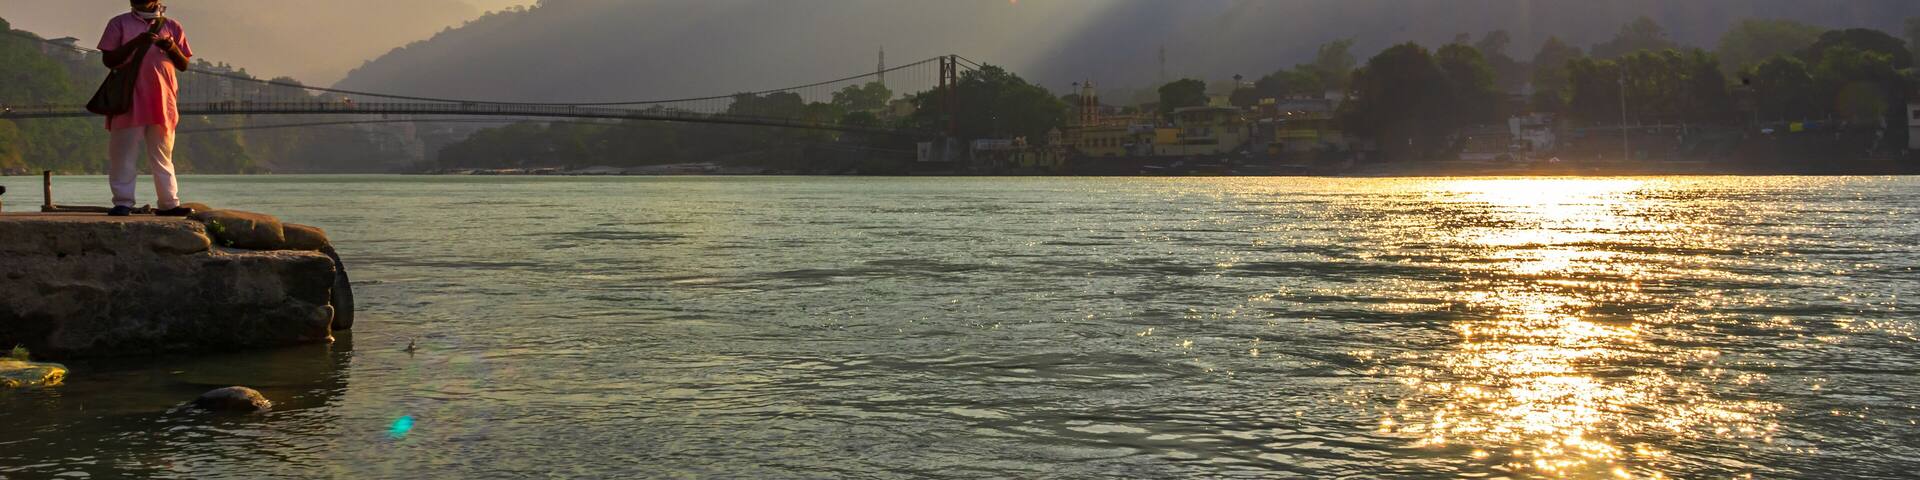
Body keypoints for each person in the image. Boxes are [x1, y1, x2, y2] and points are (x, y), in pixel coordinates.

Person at [96, 0, 192, 217]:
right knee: (123, 154)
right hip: (128, 98)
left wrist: (171, 47)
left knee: (163, 155)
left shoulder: (172, 26)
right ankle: (123, 202)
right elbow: (109, 60)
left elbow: (183, 64)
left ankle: (169, 203)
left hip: (163, 99)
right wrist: (136, 43)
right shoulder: (118, 23)